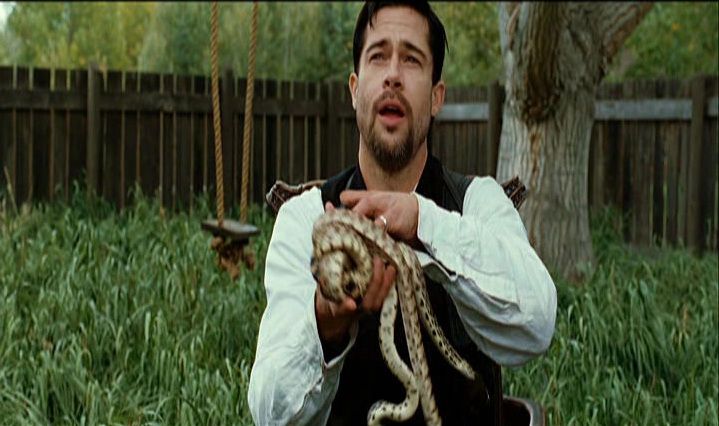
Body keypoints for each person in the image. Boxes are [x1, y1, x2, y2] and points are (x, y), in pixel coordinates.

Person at [248, 1, 557, 425]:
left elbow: (537, 324)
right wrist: (324, 323)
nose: (393, 74)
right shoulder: (305, 220)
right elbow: (269, 415)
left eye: (412, 59)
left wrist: (422, 222)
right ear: (355, 88)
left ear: (436, 97)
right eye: (378, 56)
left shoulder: (480, 203)